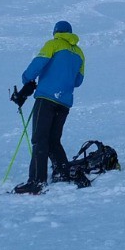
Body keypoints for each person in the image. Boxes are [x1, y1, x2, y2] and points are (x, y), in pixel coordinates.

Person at [12, 21, 85, 194]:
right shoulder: (80, 53)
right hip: (64, 102)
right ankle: (62, 172)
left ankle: (37, 181)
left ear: (56, 32)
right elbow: (78, 81)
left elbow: (36, 66)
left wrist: (26, 79)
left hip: (46, 99)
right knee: (53, 140)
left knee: (40, 139)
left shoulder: (53, 44)